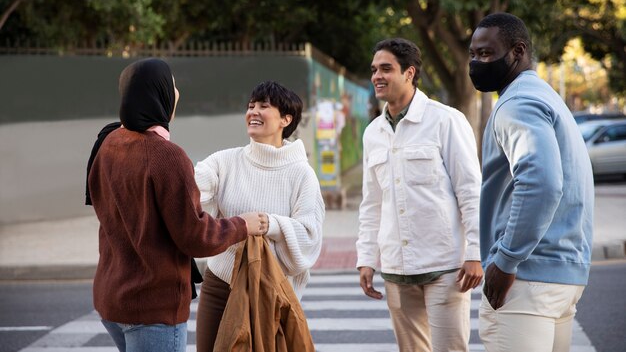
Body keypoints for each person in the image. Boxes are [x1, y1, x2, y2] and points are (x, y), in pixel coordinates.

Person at [86, 58, 267, 352]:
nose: (177, 92)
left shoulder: (108, 142)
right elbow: (195, 237)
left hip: (112, 299)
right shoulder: (166, 156)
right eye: (172, 85)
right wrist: (242, 224)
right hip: (152, 308)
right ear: (160, 94)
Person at [468, 12, 594, 352]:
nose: (476, 63)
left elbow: (542, 182)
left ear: (518, 52)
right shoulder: (546, 96)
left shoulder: (517, 103)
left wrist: (506, 260)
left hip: (526, 280)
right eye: (473, 54)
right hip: (562, 275)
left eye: (486, 53)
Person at [356, 38, 483, 352]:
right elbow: (372, 202)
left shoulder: (445, 120)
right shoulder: (373, 132)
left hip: (446, 265)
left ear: (409, 73)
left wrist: (475, 252)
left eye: (386, 69)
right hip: (396, 268)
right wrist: (366, 258)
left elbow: (470, 190)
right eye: (374, 70)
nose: (377, 77)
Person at [194, 80, 325, 352]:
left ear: (285, 120)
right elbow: (191, 191)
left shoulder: (301, 174)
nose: (253, 111)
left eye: (264, 106)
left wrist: (271, 224)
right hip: (220, 284)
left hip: (270, 290)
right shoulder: (225, 161)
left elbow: (310, 236)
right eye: (250, 106)